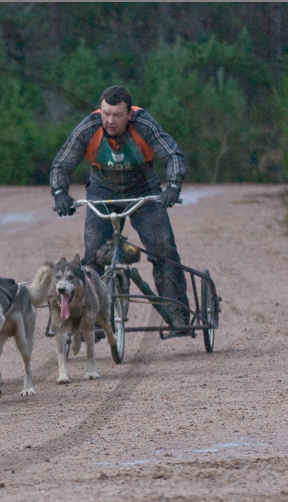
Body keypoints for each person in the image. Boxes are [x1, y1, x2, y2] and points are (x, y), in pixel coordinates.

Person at [49, 85, 189, 326]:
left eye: (117, 115)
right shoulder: (89, 127)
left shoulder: (144, 125)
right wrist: (60, 193)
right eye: (105, 113)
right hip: (102, 190)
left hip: (144, 189)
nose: (110, 121)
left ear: (129, 114)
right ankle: (93, 318)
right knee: (94, 256)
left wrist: (173, 187)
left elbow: (172, 155)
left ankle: (177, 313)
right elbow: (62, 163)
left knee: (163, 248)